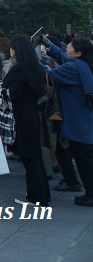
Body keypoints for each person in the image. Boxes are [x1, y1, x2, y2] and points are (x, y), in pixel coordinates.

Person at [40, 36, 93, 206]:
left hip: (78, 123)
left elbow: (47, 75)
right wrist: (48, 45)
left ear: (78, 53)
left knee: (85, 162)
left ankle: (90, 195)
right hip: (85, 121)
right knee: (84, 159)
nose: (66, 48)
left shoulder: (72, 67)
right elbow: (63, 57)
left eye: (69, 46)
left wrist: (30, 59)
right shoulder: (82, 64)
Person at [3, 34, 50, 205]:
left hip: (21, 117)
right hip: (31, 114)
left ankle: (37, 197)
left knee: (29, 158)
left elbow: (13, 94)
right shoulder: (35, 67)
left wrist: (1, 88)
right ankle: (42, 193)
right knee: (34, 156)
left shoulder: (18, 69)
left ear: (15, 50)